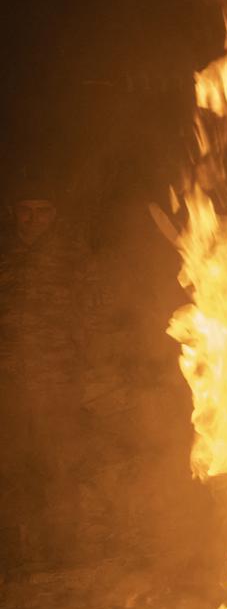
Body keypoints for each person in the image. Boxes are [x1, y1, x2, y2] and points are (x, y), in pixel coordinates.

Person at [0, 185, 100, 564]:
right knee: (9, 469)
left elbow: (93, 314)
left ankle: (61, 553)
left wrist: (88, 367)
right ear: (14, 212)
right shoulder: (4, 255)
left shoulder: (72, 257)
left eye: (42, 210)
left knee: (59, 466)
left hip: (57, 380)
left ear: (53, 214)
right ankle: (12, 556)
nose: (33, 219)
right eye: (26, 210)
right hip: (7, 384)